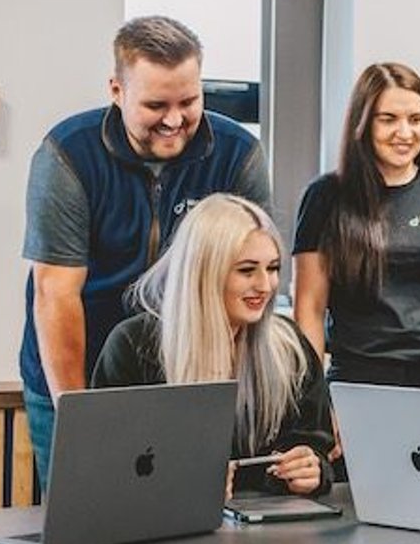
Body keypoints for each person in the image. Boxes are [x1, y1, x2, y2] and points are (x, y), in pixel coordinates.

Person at [20, 15, 269, 491]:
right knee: (88, 525)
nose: (175, 120)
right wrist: (81, 418)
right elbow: (55, 296)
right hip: (81, 370)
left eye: (189, 102)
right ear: (117, 90)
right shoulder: (68, 155)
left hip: (185, 373)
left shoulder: (238, 154)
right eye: (156, 104)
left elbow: (250, 277)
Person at [91, 194, 334, 498]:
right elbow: (105, 468)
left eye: (272, 268)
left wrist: (311, 470)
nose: (265, 285)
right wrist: (178, 485)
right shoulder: (133, 346)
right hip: (163, 531)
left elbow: (315, 446)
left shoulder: (289, 348)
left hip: (269, 532)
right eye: (247, 270)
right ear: (205, 272)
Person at [292, 62, 420, 410]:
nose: (405, 132)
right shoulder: (325, 197)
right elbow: (309, 308)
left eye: (416, 119)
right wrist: (318, 406)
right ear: (364, 123)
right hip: (360, 382)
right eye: (388, 119)